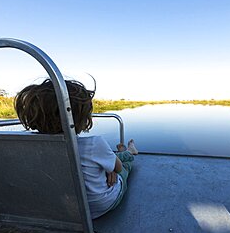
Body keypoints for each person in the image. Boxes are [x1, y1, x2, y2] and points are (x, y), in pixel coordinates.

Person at [14, 79, 138, 219]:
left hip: (63, 207)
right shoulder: (94, 144)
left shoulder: (31, 147)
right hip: (100, 205)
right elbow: (119, 168)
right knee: (125, 167)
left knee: (103, 160)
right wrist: (112, 170)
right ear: (82, 117)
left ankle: (122, 153)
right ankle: (129, 152)